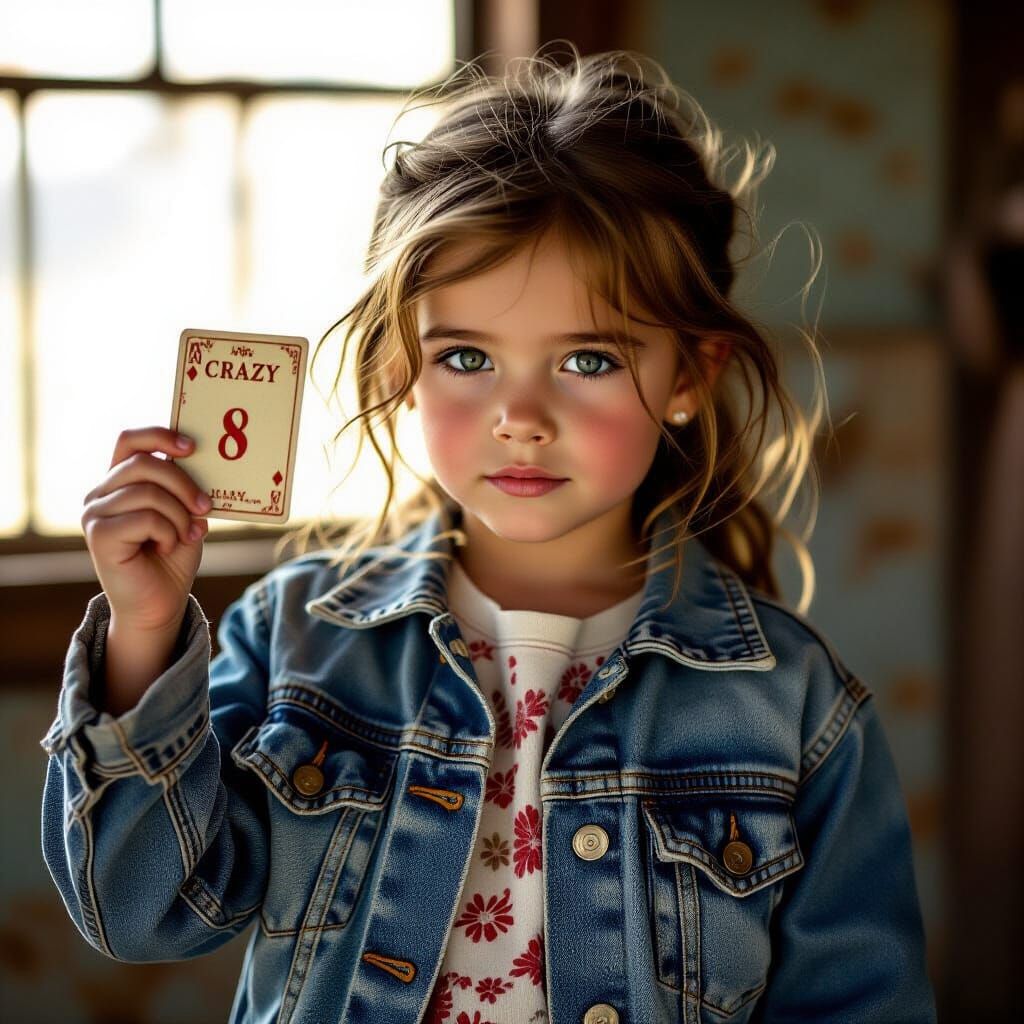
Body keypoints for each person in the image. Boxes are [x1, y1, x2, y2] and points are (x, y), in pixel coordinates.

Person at [40, 44, 937, 1024]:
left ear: (688, 375)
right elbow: (140, 909)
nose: (520, 414)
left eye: (587, 358)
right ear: (399, 368)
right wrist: (141, 633)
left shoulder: (797, 712)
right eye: (467, 354)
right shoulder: (293, 642)